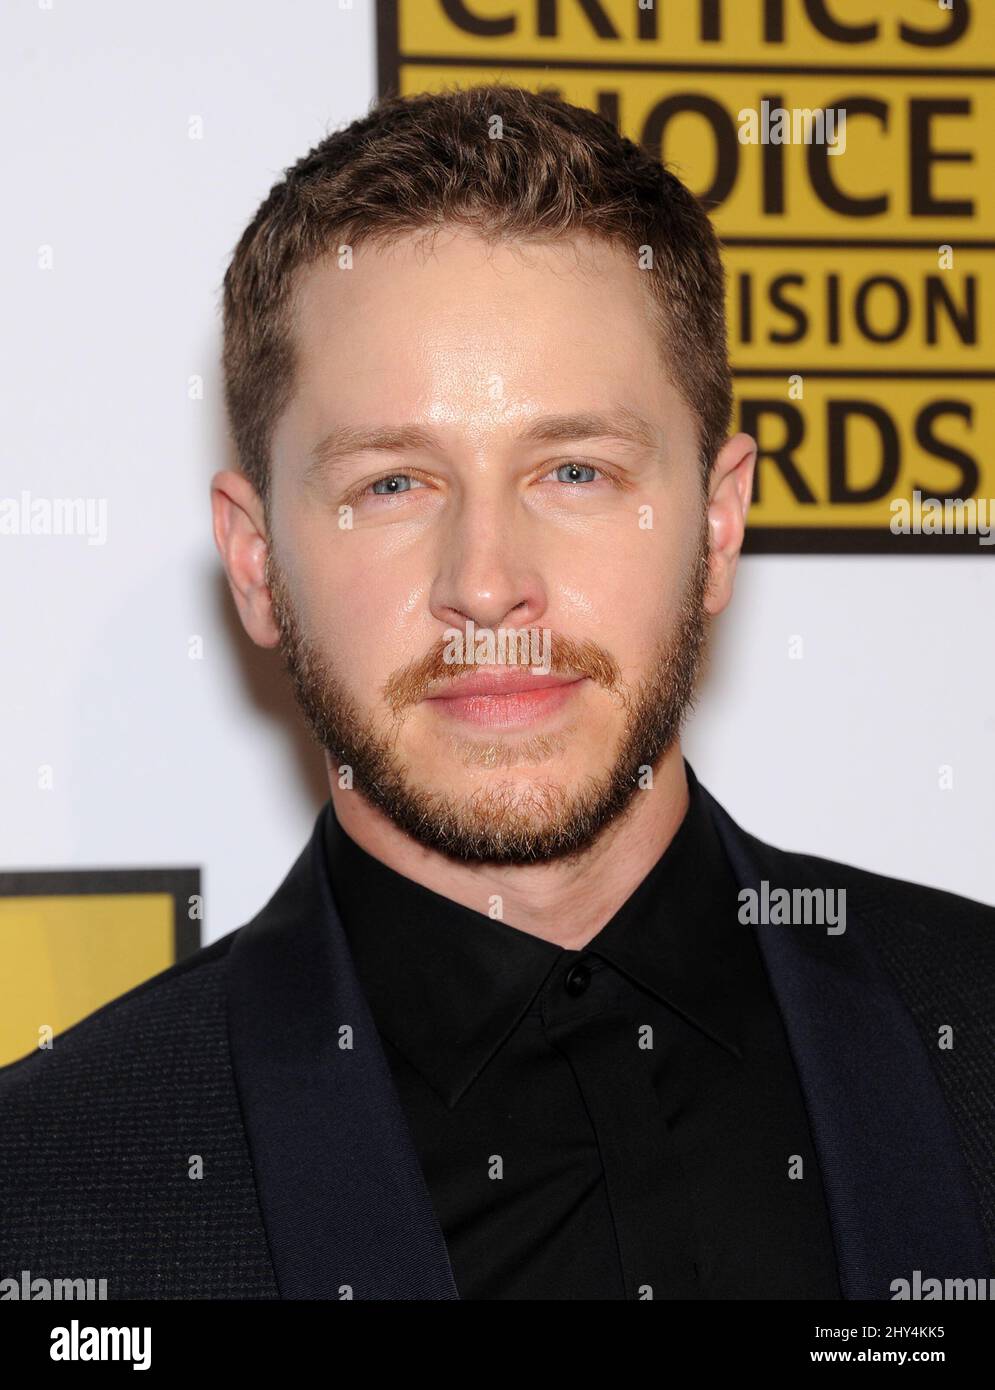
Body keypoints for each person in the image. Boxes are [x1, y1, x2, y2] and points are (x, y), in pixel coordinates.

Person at [1, 84, 992, 1302]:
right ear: (256, 563)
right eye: (392, 484)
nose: (486, 585)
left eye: (574, 470)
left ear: (719, 522)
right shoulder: (45, 1199)